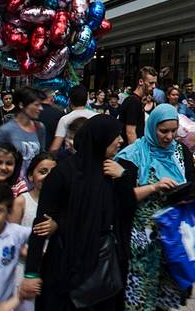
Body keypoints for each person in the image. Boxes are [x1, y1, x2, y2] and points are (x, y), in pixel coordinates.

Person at [23, 115, 135, 311]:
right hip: (66, 265)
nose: (121, 140)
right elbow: (42, 225)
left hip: (102, 267)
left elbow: (126, 211)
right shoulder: (62, 174)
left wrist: (123, 178)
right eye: (115, 136)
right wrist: (31, 273)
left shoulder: (112, 171)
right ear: (100, 138)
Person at [115, 103, 195, 311]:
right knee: (140, 298)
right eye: (163, 131)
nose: (169, 137)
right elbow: (121, 198)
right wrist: (154, 187)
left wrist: (183, 196)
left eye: (173, 131)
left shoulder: (181, 153)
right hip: (141, 243)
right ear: (152, 128)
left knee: (165, 298)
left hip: (173, 240)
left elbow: (193, 188)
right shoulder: (133, 155)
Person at [0, 89, 46, 180]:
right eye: (36, 105)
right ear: (21, 105)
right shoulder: (6, 130)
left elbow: (41, 155)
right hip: (12, 183)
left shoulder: (40, 128)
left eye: (41, 105)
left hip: (32, 184)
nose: (41, 109)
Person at [50, 86, 94, 152]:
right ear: (87, 99)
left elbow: (55, 148)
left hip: (72, 158)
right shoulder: (97, 116)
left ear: (69, 100)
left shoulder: (65, 119)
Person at [19, 153, 56, 232]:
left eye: (53, 173)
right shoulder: (21, 201)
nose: (48, 176)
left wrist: (55, 226)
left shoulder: (61, 202)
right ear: (30, 176)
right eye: (43, 172)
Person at [119, 67, 156, 144]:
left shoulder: (137, 101)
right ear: (141, 82)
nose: (154, 86)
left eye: (155, 83)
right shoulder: (133, 101)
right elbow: (130, 133)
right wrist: (136, 154)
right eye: (151, 83)